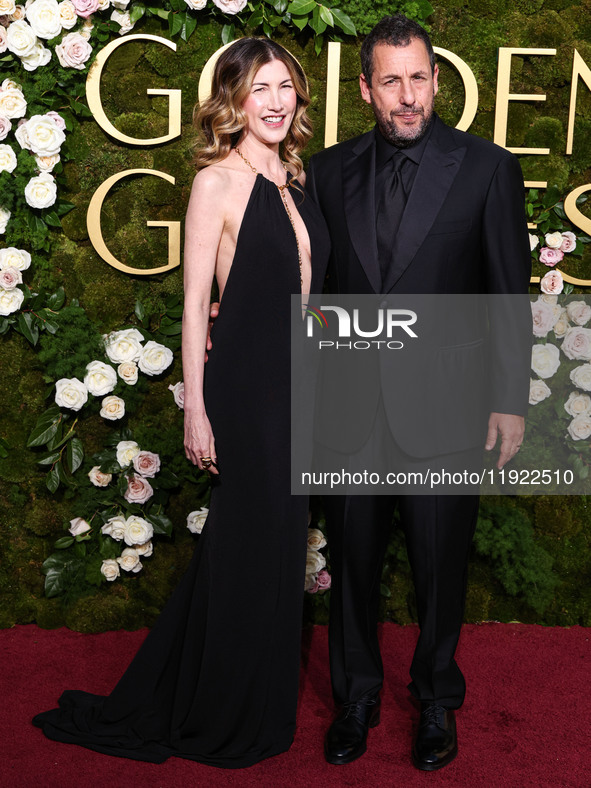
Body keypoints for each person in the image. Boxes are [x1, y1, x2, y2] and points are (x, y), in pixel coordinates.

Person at [32, 37, 329, 768]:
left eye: (284, 85)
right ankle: (216, 710)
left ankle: (249, 699)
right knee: (246, 549)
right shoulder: (215, 184)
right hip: (244, 389)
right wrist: (196, 409)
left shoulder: (296, 177)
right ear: (231, 99)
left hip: (298, 383)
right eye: (258, 88)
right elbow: (196, 306)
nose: (274, 100)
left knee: (274, 550)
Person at [305, 15, 531, 771]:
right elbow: (311, 288)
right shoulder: (328, 172)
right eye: (391, 80)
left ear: (437, 80)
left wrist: (508, 400)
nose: (408, 96)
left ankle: (436, 700)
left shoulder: (486, 169)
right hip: (350, 409)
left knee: (440, 564)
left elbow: (506, 295)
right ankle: (357, 697)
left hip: (448, 408)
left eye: (419, 78)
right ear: (366, 87)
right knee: (353, 565)